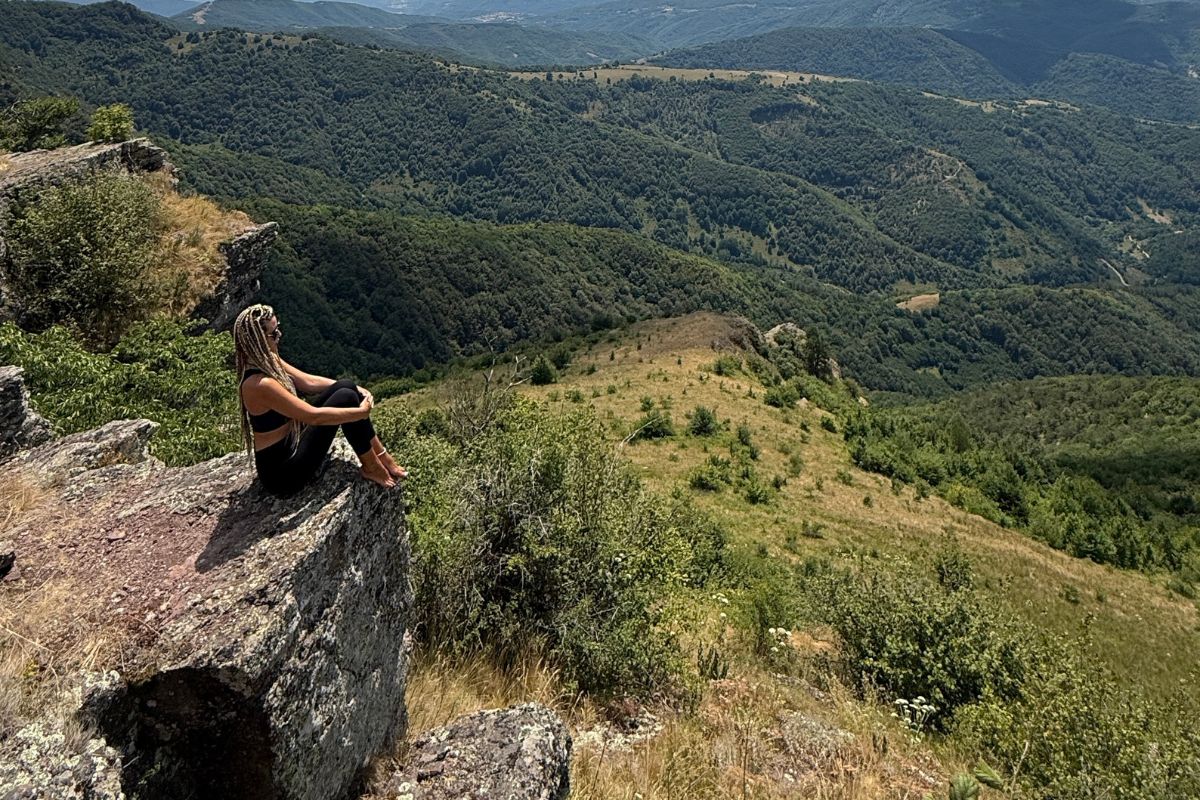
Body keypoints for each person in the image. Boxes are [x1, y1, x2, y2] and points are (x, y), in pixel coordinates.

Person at [233, 304, 406, 495]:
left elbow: (308, 382)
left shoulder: (267, 361)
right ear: (258, 341)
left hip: (293, 443)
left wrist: (357, 389)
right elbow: (313, 417)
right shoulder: (259, 384)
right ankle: (372, 466)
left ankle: (381, 455)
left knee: (346, 387)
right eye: (274, 334)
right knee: (346, 398)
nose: (279, 335)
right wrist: (360, 412)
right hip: (283, 473)